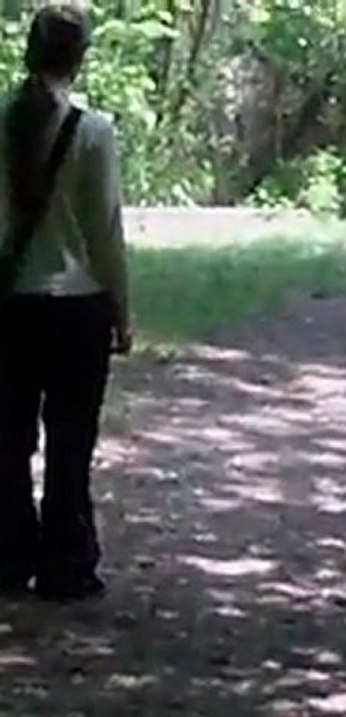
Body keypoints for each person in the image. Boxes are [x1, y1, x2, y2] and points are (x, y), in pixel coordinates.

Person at [0, 5, 131, 601]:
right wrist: (122, 311)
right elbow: (105, 231)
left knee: (6, 439)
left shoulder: (3, 122)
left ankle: (7, 553)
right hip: (77, 308)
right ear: (79, 57)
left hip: (10, 306)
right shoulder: (93, 131)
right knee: (71, 441)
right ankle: (66, 561)